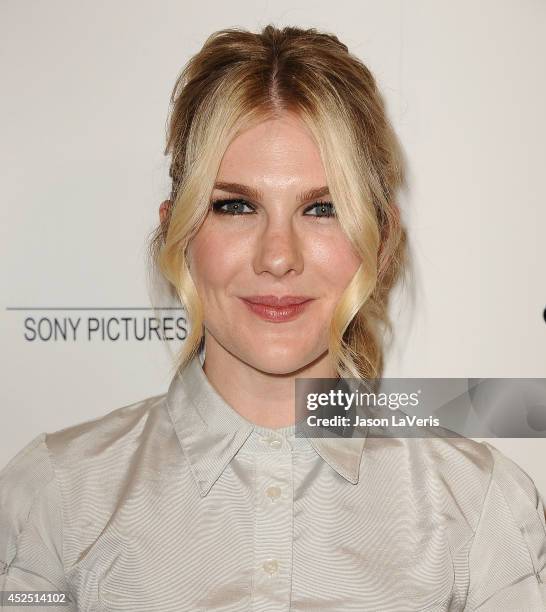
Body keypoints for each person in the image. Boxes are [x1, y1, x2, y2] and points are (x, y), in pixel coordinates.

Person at [1, 24, 545, 612]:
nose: (278, 256)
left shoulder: (476, 506)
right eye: (236, 206)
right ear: (177, 230)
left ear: (380, 236)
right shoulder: (57, 497)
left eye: (322, 208)